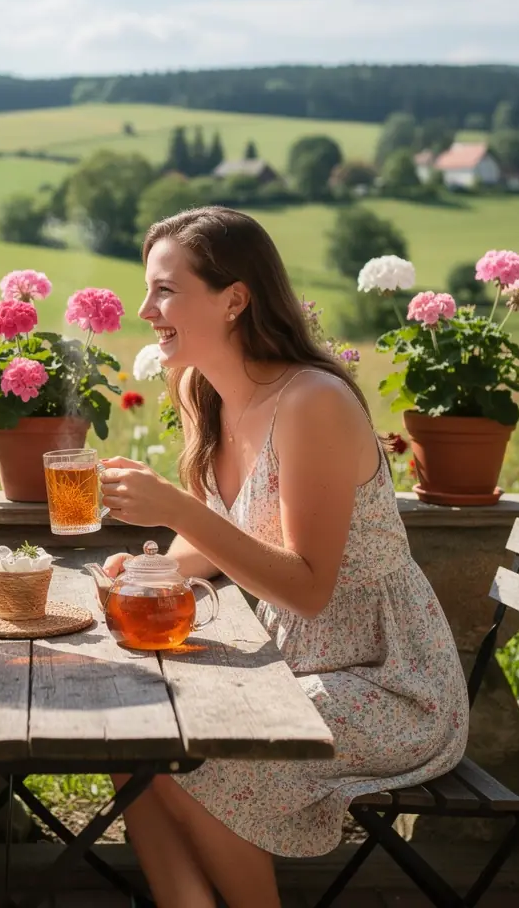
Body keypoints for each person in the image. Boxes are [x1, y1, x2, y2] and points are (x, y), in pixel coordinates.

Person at [98, 207, 468, 908]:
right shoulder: (199, 390)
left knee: (200, 756)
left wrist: (172, 508)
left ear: (234, 298)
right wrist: (151, 573)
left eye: (166, 290)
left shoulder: (312, 402)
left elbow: (307, 589)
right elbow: (214, 531)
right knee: (130, 744)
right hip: (286, 667)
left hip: (384, 680)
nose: (146, 309)